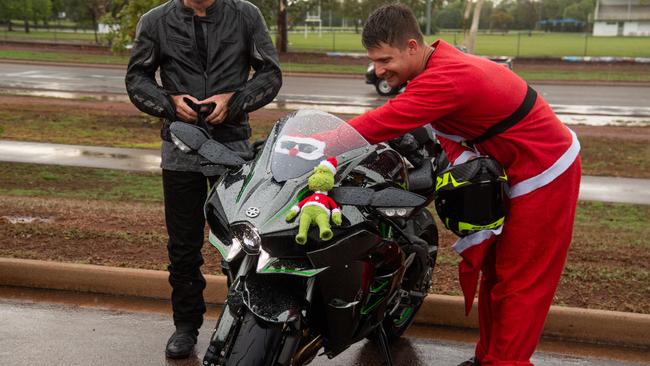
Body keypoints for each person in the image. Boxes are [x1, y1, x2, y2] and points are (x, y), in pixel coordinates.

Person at [347, 4, 581, 366]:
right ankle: (490, 357)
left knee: (521, 280)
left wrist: (318, 143)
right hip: (512, 167)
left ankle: (506, 363)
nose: (378, 70)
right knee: (498, 271)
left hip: (544, 169)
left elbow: (383, 121)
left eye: (384, 60)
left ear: (412, 46)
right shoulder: (436, 65)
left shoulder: (447, 76)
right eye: (373, 61)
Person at [125, 0, 281, 359]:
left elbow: (271, 73)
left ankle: (242, 324)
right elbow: (136, 78)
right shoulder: (155, 21)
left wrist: (235, 99)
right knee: (183, 246)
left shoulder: (246, 15)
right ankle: (185, 326)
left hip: (234, 149)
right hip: (180, 150)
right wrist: (169, 102)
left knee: (244, 243)